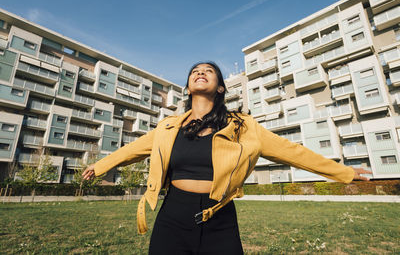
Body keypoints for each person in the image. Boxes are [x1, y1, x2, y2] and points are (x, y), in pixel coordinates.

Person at [82, 61, 371, 254]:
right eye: (195, 70)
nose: (200, 72)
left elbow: (292, 151)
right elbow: (132, 149)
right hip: (173, 215)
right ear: (187, 87)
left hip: (219, 216)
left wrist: (343, 173)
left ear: (220, 87)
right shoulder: (168, 126)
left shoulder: (244, 126)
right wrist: (101, 165)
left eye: (209, 70)